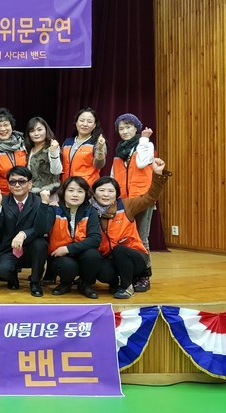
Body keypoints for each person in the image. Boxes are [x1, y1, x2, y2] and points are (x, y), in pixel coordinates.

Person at [91, 158, 170, 298]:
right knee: (102, 271)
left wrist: (157, 174)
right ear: (94, 192)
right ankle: (115, 282)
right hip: (109, 257)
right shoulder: (89, 211)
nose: (106, 194)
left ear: (116, 194)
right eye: (101, 190)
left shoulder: (126, 205)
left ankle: (127, 286)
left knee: (120, 250)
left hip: (134, 256)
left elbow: (150, 197)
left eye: (110, 191)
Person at [42, 176, 112, 299]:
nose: (75, 195)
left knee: (93, 255)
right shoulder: (54, 209)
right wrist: (44, 205)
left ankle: (86, 284)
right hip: (59, 255)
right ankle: (65, 284)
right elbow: (42, 229)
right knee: (67, 266)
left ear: (86, 194)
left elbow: (95, 238)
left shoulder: (90, 211)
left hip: (81, 253)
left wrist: (68, 248)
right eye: (71, 190)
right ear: (64, 192)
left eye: (80, 191)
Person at [0, 166, 52, 297]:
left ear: (30, 184)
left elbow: (42, 229)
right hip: (9, 248)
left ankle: (35, 282)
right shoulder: (3, 201)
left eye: (22, 181)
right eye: (13, 182)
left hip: (31, 248)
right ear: (8, 185)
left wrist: (24, 234)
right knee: (2, 270)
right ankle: (12, 276)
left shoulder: (39, 202)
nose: (17, 185)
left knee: (40, 243)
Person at [111, 113, 155, 252]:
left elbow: (142, 163)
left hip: (142, 197)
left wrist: (144, 139)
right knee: (126, 237)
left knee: (141, 237)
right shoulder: (119, 151)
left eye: (128, 127)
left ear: (136, 128)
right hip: (124, 199)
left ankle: (145, 266)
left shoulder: (146, 145)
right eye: (121, 128)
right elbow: (113, 175)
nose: (125, 131)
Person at [61, 107, 107, 187]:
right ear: (76, 122)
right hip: (67, 186)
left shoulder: (98, 142)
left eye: (89, 121)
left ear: (94, 125)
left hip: (86, 187)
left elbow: (99, 165)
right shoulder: (67, 142)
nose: (85, 124)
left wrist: (100, 149)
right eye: (82, 120)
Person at [24, 116, 62, 195]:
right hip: (31, 193)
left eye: (39, 130)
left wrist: (54, 151)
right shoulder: (27, 149)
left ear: (46, 130)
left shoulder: (52, 147)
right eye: (32, 131)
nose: (36, 134)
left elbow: (56, 171)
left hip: (49, 193)